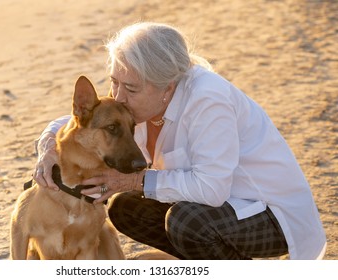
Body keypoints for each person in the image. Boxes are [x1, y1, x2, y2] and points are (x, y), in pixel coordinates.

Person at [33, 22, 326, 260]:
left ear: (167, 86)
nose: (118, 96)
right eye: (114, 82)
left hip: (269, 215)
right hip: (215, 208)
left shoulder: (208, 101)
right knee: (125, 208)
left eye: (130, 89)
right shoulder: (136, 90)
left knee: (186, 222)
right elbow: (85, 119)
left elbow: (211, 189)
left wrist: (134, 181)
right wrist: (48, 146)